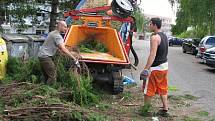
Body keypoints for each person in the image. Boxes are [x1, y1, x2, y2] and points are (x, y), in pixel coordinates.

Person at [140, 18, 169, 116]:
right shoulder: (164, 36)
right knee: (162, 88)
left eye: (150, 24)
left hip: (155, 68)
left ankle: (146, 111)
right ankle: (165, 110)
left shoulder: (155, 37)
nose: (149, 26)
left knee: (148, 89)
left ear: (155, 25)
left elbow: (152, 55)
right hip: (164, 67)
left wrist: (145, 69)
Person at [38, 20, 79, 85]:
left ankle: (42, 87)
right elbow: (63, 49)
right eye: (65, 27)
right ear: (60, 26)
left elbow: (59, 48)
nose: (66, 29)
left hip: (42, 56)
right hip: (45, 57)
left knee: (46, 75)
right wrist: (74, 58)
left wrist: (69, 52)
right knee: (53, 76)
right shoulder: (57, 36)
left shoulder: (52, 33)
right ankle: (49, 91)